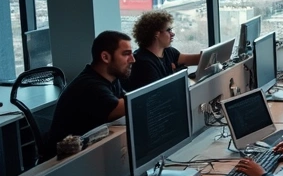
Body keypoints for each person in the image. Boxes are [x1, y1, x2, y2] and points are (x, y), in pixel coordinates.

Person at [45, 31, 136, 161]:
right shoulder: (90, 86)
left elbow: (127, 100)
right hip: (64, 163)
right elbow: (126, 105)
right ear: (105, 57)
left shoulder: (111, 79)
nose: (133, 59)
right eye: (126, 54)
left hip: (88, 153)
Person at [124, 11, 199, 91]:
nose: (172, 34)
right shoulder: (143, 62)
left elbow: (193, 59)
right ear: (156, 34)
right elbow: (161, 93)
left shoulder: (168, 51)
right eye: (168, 30)